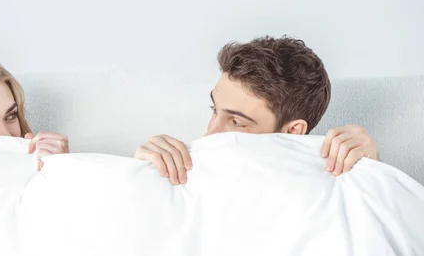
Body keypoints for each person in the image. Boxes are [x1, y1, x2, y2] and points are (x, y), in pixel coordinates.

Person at [134, 36, 378, 185]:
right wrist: (141, 175)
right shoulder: (184, 168)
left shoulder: (330, 186)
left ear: (293, 131)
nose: (210, 134)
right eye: (214, 110)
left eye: (237, 122)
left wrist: (372, 170)